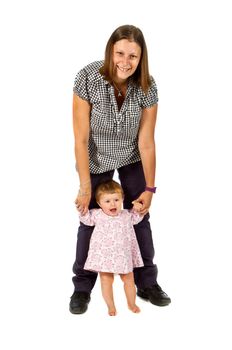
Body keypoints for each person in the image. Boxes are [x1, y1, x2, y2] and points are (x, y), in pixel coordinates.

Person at [70, 24, 171, 314]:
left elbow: (147, 141)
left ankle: (147, 282)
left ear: (142, 58)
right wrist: (86, 186)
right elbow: (80, 137)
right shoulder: (87, 77)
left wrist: (149, 189)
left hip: (131, 156)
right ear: (110, 51)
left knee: (139, 217)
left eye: (133, 56)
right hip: (95, 158)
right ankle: (81, 287)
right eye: (120, 53)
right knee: (90, 220)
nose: (125, 62)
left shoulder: (147, 86)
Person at [78, 180, 144, 316]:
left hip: (123, 256)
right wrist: (82, 208)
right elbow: (86, 219)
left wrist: (139, 207)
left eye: (116, 199)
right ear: (99, 203)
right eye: (107, 201)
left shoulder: (126, 214)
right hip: (104, 256)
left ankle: (131, 303)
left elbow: (137, 217)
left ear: (122, 199)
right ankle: (111, 306)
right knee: (106, 280)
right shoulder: (96, 214)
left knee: (129, 280)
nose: (113, 204)